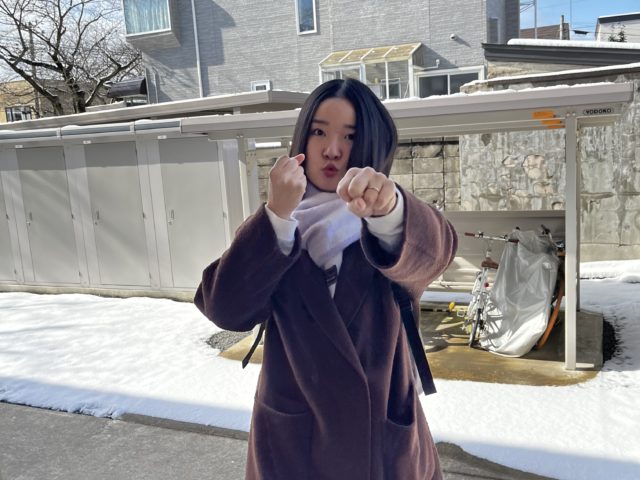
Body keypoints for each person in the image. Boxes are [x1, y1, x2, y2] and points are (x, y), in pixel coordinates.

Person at [195, 78, 457, 480]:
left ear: (371, 143)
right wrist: (275, 217)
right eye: (319, 132)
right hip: (292, 444)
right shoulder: (278, 225)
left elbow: (437, 253)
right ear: (301, 138)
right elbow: (225, 308)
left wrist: (389, 209)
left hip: (380, 442)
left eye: (349, 136)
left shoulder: (387, 223)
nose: (332, 149)